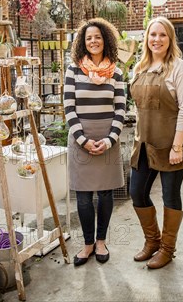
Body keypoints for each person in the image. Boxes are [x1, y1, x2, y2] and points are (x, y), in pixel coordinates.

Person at [129, 16, 183, 269]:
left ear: (170, 39)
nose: (157, 39)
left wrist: (178, 146)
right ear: (146, 38)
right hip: (144, 141)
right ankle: (152, 241)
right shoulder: (139, 68)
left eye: (162, 35)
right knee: (137, 192)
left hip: (171, 142)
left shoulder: (179, 69)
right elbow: (139, 108)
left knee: (170, 194)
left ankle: (167, 249)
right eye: (152, 34)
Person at [64, 17, 125, 266]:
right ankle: (88, 244)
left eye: (98, 37)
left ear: (105, 40)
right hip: (81, 140)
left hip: (108, 137)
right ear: (82, 42)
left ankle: (101, 241)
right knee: (83, 197)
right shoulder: (73, 70)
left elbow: (120, 109)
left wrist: (110, 140)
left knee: (106, 193)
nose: (93, 41)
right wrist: (82, 140)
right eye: (88, 37)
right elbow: (69, 107)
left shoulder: (117, 72)